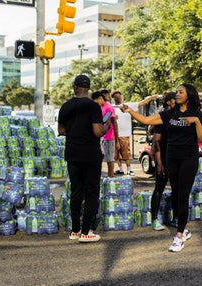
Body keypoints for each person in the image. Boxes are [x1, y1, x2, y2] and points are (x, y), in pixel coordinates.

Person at [120, 83, 202, 252]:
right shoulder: (169, 114)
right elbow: (146, 120)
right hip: (172, 158)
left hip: (188, 159)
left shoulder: (196, 114)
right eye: (177, 92)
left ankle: (180, 235)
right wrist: (130, 111)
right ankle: (185, 228)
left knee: (183, 195)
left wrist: (196, 121)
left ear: (189, 94)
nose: (177, 94)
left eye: (181, 92)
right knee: (176, 194)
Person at [58, 74, 110, 243]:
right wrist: (106, 126)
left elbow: (61, 131)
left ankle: (74, 230)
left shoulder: (65, 106)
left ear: (74, 87)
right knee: (92, 192)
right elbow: (97, 132)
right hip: (90, 154)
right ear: (88, 88)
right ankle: (86, 231)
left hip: (72, 153)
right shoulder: (93, 107)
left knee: (76, 191)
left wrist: (75, 131)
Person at [111, 91, 158, 176]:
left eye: (119, 96)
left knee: (126, 153)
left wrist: (152, 97)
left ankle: (129, 169)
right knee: (116, 154)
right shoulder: (111, 107)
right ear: (113, 98)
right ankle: (120, 168)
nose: (118, 98)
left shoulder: (128, 105)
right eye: (116, 97)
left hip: (124, 134)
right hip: (113, 134)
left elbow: (142, 102)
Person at [150, 92, 176, 231]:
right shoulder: (162, 117)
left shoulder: (180, 115)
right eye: (174, 99)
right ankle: (154, 219)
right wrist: (159, 162)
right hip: (163, 158)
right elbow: (156, 141)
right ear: (168, 102)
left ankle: (176, 218)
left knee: (177, 189)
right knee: (159, 188)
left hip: (175, 158)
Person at [92, 91, 119, 177]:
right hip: (103, 137)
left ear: (100, 98)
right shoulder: (101, 107)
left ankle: (110, 178)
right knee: (105, 158)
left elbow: (114, 123)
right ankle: (108, 178)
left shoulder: (108, 107)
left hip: (109, 137)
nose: (96, 104)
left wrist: (117, 141)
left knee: (110, 160)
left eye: (96, 102)